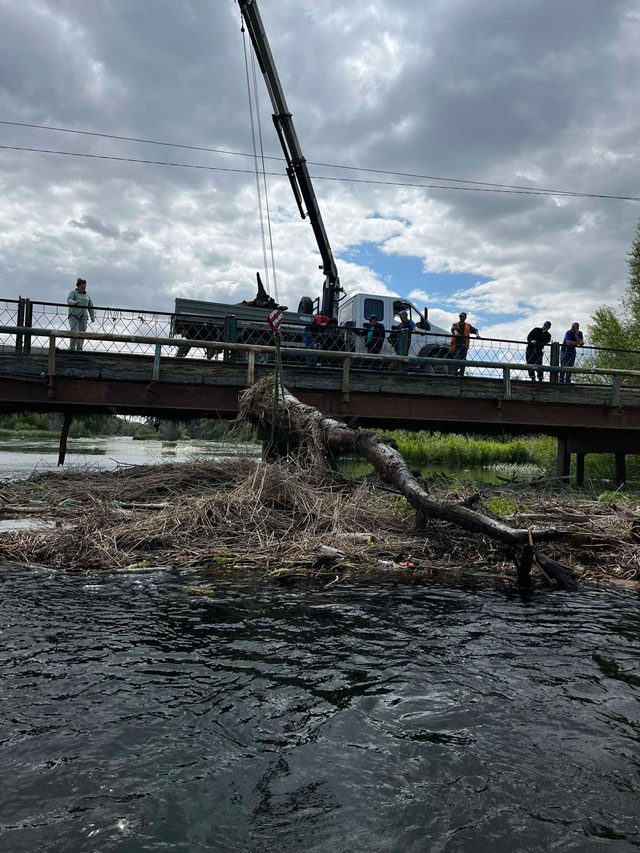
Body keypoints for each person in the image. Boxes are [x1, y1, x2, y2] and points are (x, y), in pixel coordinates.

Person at [67, 278, 95, 352]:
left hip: (84, 316)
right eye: (82, 286)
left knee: (82, 333)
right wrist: (74, 302)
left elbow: (90, 306)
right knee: (74, 332)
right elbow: (69, 301)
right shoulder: (73, 293)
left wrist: (92, 316)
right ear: (78, 286)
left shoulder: (87, 295)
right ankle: (72, 349)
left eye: (84, 286)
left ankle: (79, 349)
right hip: (74, 315)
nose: (83, 288)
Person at [449, 312, 480, 376]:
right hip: (456, 345)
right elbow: (453, 329)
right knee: (456, 358)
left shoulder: (468, 326)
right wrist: (456, 333)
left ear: (465, 318)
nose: (461, 317)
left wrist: (478, 335)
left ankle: (461, 373)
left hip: (464, 345)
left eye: (462, 316)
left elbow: (475, 330)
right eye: (460, 316)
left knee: (463, 359)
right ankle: (454, 372)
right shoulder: (455, 324)